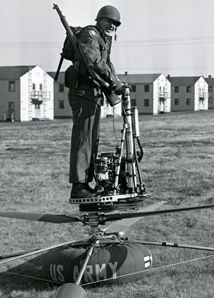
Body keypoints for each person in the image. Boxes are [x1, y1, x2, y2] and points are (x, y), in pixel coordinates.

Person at [68, 5, 123, 199]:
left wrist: (117, 85)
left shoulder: (104, 40)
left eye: (115, 24)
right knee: (83, 140)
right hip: (83, 93)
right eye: (109, 21)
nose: (112, 26)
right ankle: (78, 186)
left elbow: (107, 64)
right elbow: (94, 63)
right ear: (99, 20)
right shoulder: (90, 35)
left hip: (93, 95)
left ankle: (86, 183)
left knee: (91, 141)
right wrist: (115, 84)